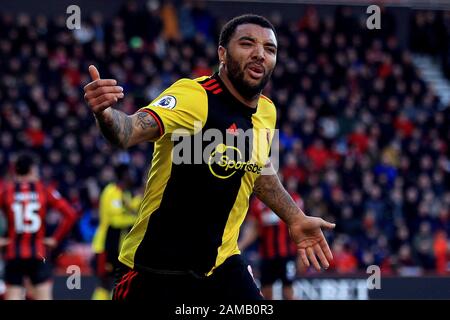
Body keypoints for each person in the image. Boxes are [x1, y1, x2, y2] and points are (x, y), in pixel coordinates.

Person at [84, 14, 335, 301]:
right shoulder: (194, 96)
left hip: (222, 266)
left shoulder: (267, 112)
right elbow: (128, 131)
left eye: (270, 49)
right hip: (155, 269)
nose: (259, 54)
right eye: (247, 43)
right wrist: (104, 114)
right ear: (222, 54)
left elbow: (259, 171)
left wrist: (294, 217)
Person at [0, 153, 77, 300]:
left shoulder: (6, 191)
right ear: (31, 170)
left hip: (13, 253)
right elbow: (71, 214)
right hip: (38, 253)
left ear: (15, 171)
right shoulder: (44, 189)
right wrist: (55, 239)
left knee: (14, 296)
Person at [239, 178, 304, 300]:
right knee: (266, 293)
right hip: (267, 256)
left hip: (287, 255)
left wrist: (301, 254)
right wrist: (240, 245)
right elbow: (253, 228)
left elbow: (300, 228)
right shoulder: (257, 203)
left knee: (289, 292)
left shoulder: (293, 199)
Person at [91, 163, 141, 300]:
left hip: (118, 244)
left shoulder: (126, 193)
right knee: (104, 283)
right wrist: (136, 219)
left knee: (115, 282)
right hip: (104, 244)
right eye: (130, 173)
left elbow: (133, 208)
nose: (133, 176)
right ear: (124, 175)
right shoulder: (111, 191)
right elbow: (115, 221)